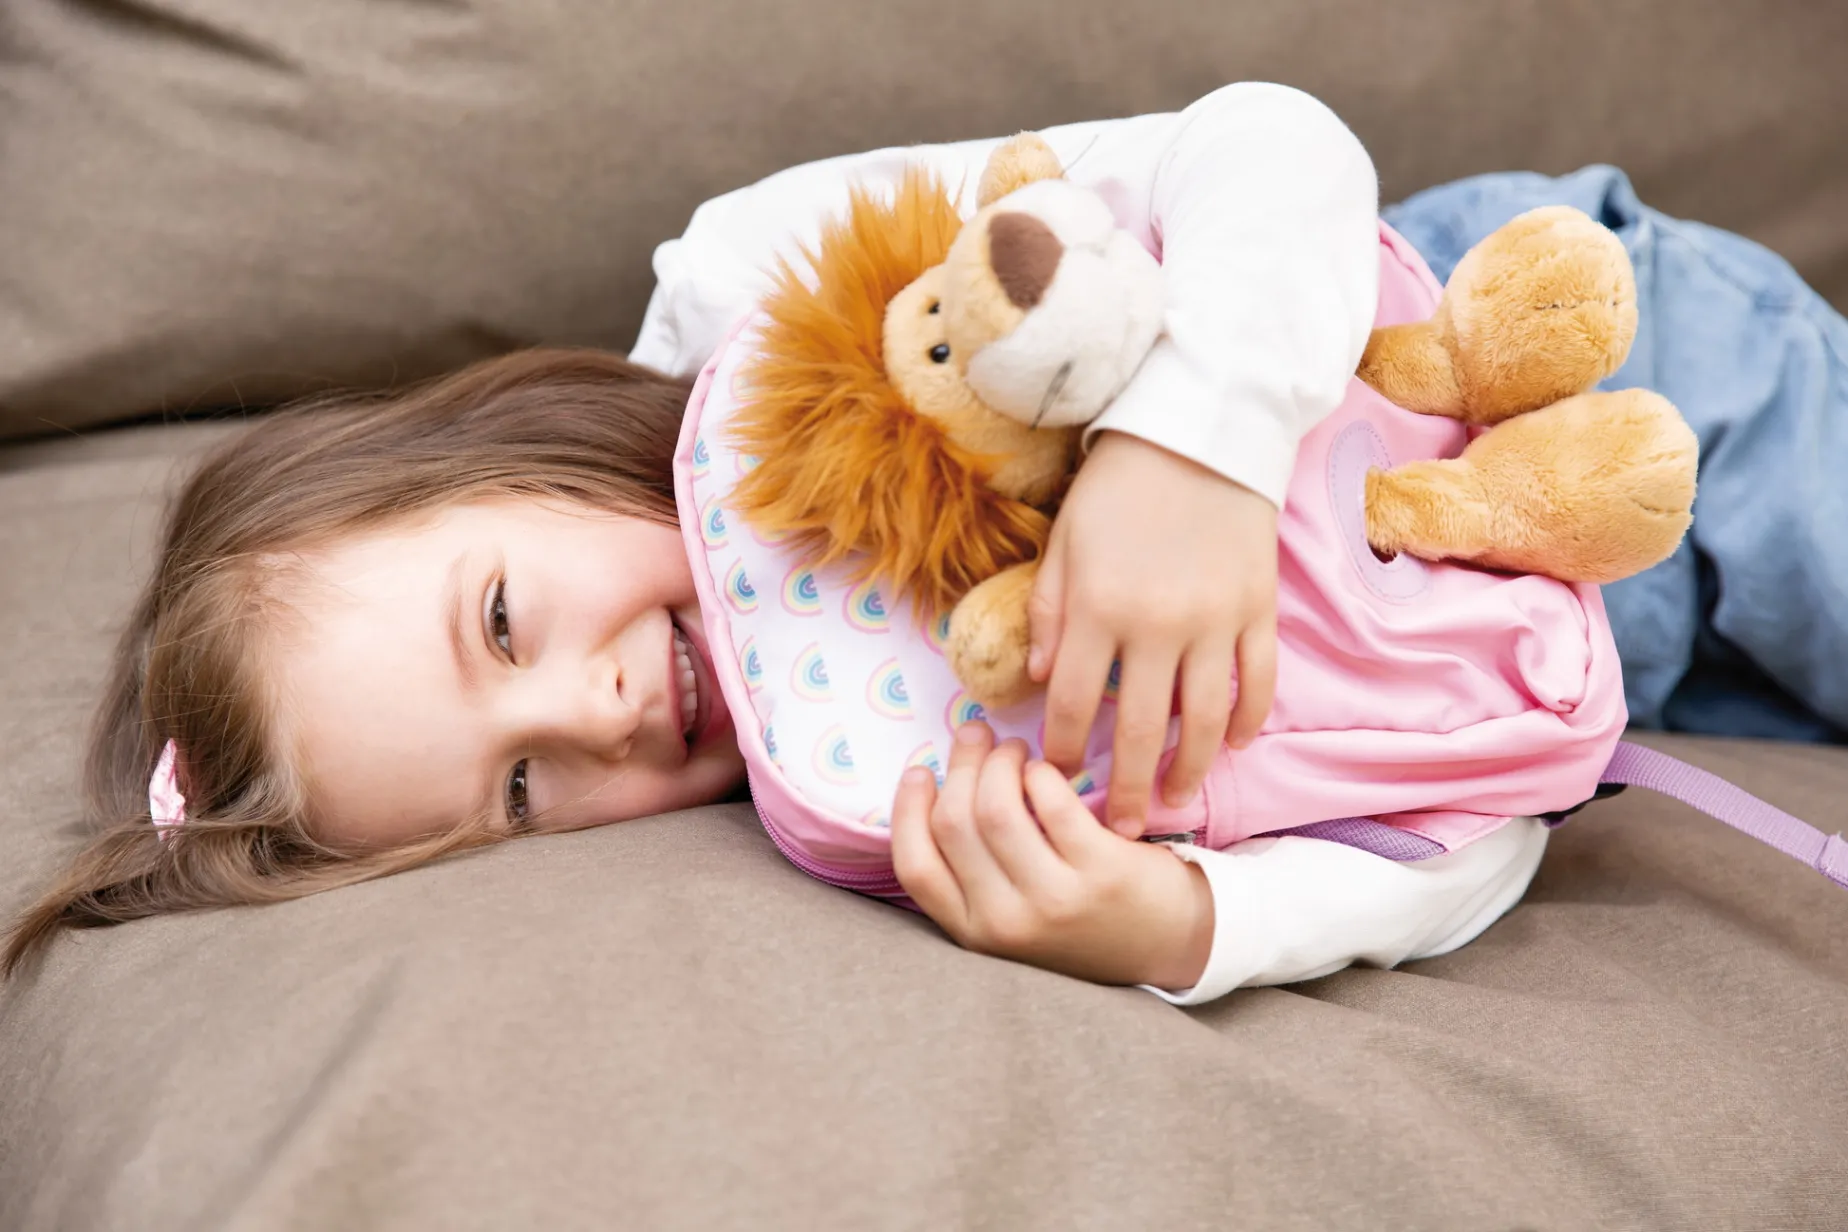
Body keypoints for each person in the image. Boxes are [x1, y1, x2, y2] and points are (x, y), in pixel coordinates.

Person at [3, 85, 1548, 1000]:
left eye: (502, 625)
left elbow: (1275, 147)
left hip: (1513, 334)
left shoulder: (754, 288)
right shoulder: (865, 780)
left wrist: (1192, 447)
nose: (598, 711)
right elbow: (1493, 824)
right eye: (522, 792)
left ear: (493, 457)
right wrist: (1190, 927)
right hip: (1557, 657)